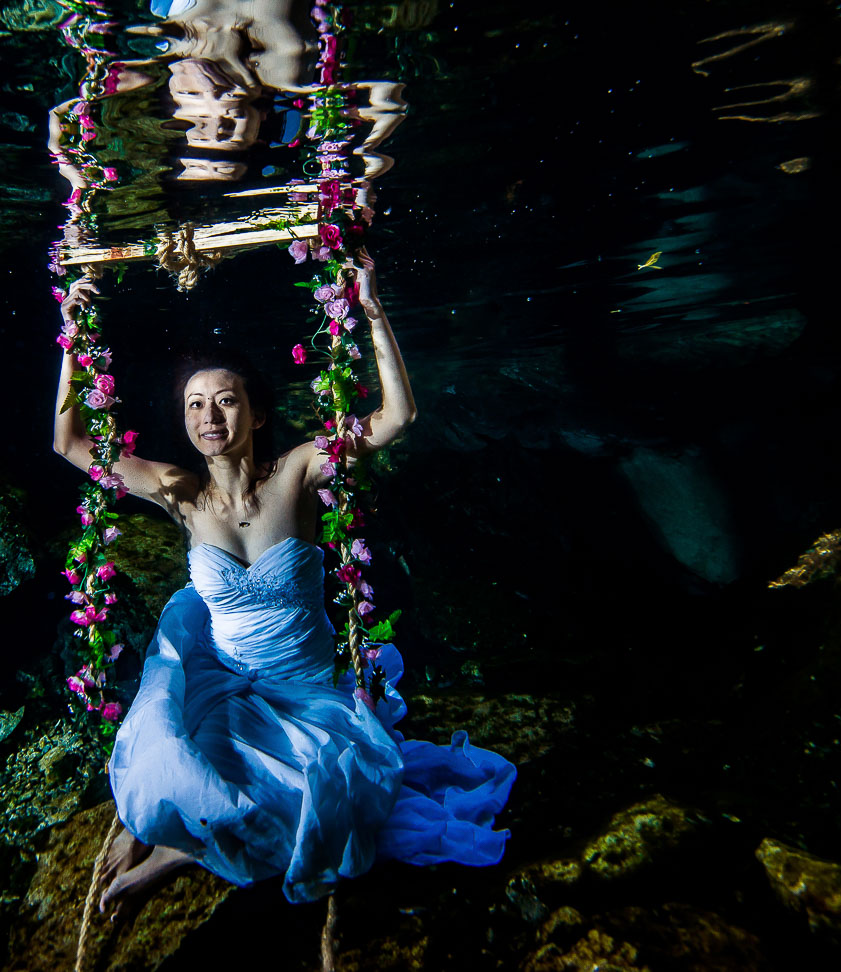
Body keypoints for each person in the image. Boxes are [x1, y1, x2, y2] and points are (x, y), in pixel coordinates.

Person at [52, 253, 515, 914]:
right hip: (229, 691)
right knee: (173, 776)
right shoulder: (178, 493)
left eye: (226, 400)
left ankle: (176, 855)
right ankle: (155, 836)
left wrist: (372, 309)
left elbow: (397, 418)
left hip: (306, 694)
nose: (210, 416)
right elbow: (69, 442)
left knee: (330, 800)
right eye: (194, 405)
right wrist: (72, 338)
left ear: (257, 412)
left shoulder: (297, 472)